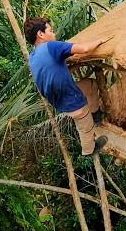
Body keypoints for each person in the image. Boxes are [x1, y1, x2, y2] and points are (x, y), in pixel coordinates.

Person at [23, 16, 114, 156]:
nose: (54, 34)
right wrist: (100, 40)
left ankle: (95, 113)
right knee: (86, 128)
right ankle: (89, 149)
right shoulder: (52, 46)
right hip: (73, 102)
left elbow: (50, 70)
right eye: (51, 30)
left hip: (59, 99)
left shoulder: (33, 57)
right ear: (41, 34)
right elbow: (84, 49)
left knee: (91, 85)